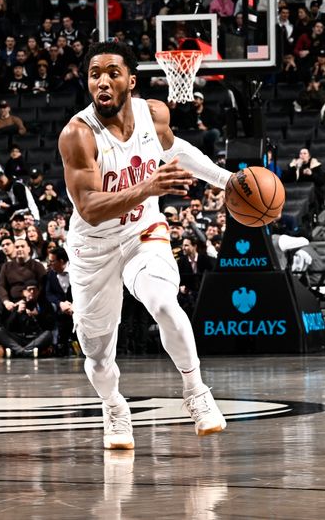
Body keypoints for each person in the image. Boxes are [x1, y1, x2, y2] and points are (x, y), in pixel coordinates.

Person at [58, 41, 229, 450]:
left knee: (164, 302)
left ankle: (197, 391)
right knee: (98, 355)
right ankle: (114, 406)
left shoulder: (154, 114)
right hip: (93, 247)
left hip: (142, 232)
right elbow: (90, 207)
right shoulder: (77, 134)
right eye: (95, 73)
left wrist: (226, 180)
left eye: (112, 72)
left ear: (131, 81)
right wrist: (146, 187)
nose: (102, 80)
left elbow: (177, 150)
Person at [0, 280, 55, 357]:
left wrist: (38, 315)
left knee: (48, 334)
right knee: (0, 331)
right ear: (24, 292)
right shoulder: (17, 304)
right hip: (19, 338)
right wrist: (17, 312)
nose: (32, 292)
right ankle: (26, 352)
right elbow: (8, 327)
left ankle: (19, 351)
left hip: (35, 338)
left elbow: (50, 326)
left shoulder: (44, 305)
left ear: (38, 292)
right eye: (29, 290)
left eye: (35, 289)